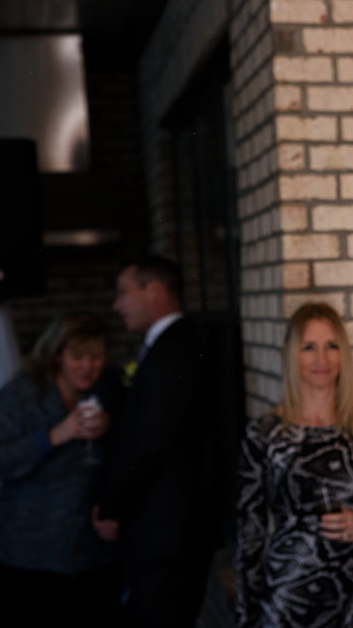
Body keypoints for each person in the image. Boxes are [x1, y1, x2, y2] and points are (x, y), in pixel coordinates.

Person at [235, 303, 353, 627]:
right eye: (309, 347)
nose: (322, 359)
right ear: (289, 353)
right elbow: (251, 534)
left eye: (331, 346)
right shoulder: (266, 435)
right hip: (289, 601)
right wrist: (246, 615)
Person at [93, 255, 218, 627]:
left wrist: (112, 505)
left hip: (167, 532)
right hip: (174, 528)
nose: (118, 305)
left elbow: (152, 442)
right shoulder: (174, 343)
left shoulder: (172, 349)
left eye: (123, 293)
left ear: (155, 291)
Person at [0, 311, 122, 627]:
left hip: (92, 558)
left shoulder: (109, 392)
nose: (87, 366)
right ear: (56, 355)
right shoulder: (22, 395)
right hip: (25, 557)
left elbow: (126, 459)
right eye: (77, 356)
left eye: (95, 357)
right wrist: (55, 436)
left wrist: (114, 429)